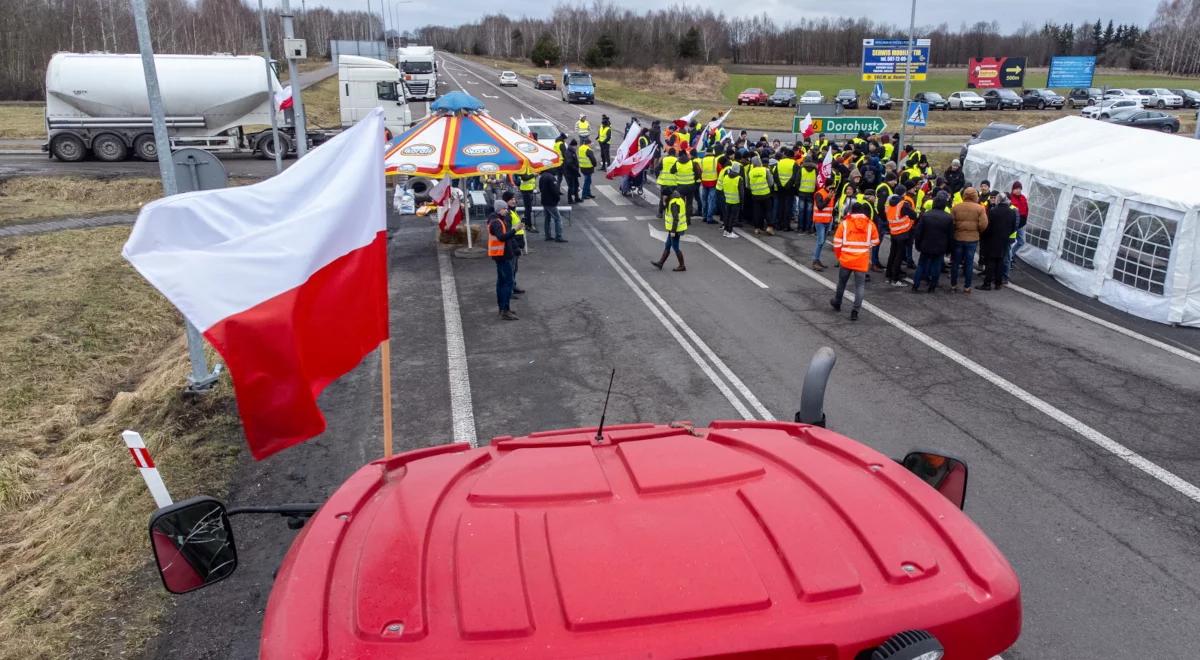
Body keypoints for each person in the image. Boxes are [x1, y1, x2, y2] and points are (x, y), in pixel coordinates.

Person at [830, 202, 880, 322]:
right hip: (861, 260)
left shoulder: (845, 223)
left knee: (842, 283)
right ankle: (855, 311)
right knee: (860, 286)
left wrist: (840, 256)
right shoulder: (870, 224)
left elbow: (837, 243)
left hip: (846, 259)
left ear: (851, 211)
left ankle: (837, 302)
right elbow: (876, 241)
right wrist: (866, 247)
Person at [912, 192, 954, 293]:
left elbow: (918, 232)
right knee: (936, 266)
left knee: (921, 265)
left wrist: (918, 244)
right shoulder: (948, 218)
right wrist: (949, 249)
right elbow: (950, 235)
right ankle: (932, 287)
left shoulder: (926, 215)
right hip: (940, 246)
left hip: (925, 245)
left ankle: (915, 285)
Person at [950, 187, 988, 294]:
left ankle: (953, 285)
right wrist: (977, 231)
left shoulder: (956, 207)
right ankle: (967, 286)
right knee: (969, 263)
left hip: (958, 237)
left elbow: (951, 223)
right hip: (972, 239)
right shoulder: (980, 208)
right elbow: (984, 224)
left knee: (955, 262)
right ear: (975, 196)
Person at [488, 200, 520, 321]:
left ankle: (503, 308)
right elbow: (502, 237)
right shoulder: (497, 222)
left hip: (500, 255)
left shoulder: (496, 220)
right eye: (505, 208)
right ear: (499, 209)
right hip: (503, 255)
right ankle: (504, 310)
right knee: (507, 282)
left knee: (502, 282)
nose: (507, 210)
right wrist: (515, 230)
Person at [980, 192, 1017, 290]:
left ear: (999, 200)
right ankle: (998, 283)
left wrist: (986, 236)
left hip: (993, 239)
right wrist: (1006, 234)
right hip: (1004, 239)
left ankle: (987, 284)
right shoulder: (1012, 212)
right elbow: (1014, 227)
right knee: (1000, 260)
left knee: (991, 261)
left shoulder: (993, 211)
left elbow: (988, 225)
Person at [884, 185, 918, 286]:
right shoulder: (903, 204)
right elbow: (914, 215)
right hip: (902, 233)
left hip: (893, 231)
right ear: (904, 193)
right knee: (899, 256)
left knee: (892, 254)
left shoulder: (890, 203)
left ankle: (889, 274)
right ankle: (895, 278)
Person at [652, 190, 688, 272]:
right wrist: (665, 204)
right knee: (667, 245)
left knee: (675, 247)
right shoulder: (674, 200)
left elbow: (675, 218)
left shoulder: (674, 203)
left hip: (675, 229)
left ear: (668, 196)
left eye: (664, 196)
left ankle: (682, 266)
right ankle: (660, 263)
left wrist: (673, 231)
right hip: (674, 228)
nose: (663, 198)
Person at [501, 191, 526, 296]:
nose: (514, 201)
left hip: (517, 243)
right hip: (512, 244)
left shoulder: (513, 211)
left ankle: (513, 286)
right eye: (511, 199)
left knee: (514, 268)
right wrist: (515, 246)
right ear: (506, 201)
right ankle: (509, 290)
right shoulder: (508, 214)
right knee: (510, 269)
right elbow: (509, 232)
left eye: (514, 199)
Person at [746, 155, 775, 236]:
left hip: (755, 194)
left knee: (757, 212)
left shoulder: (750, 172)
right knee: (768, 210)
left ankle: (757, 228)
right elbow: (771, 182)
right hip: (765, 194)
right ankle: (769, 227)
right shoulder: (765, 170)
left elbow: (747, 185)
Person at [1006, 181, 1029, 283]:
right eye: (1016, 188)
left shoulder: (1023, 198)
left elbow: (1026, 209)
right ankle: (1009, 260)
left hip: (1021, 224)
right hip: (1014, 224)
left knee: (1021, 242)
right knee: (1011, 242)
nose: (1018, 190)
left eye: (1020, 188)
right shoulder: (1010, 198)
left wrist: (1025, 220)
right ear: (1013, 189)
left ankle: (1011, 256)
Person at [538, 168, 566, 242]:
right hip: (551, 202)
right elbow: (555, 191)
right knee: (558, 219)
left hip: (544, 201)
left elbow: (540, 188)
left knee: (547, 219)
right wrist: (557, 199)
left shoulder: (542, 176)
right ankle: (558, 236)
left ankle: (548, 235)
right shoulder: (551, 177)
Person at [811, 185, 834, 270]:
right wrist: (828, 198)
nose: (831, 189)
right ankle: (815, 261)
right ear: (825, 186)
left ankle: (817, 260)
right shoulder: (819, 193)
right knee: (820, 242)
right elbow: (820, 206)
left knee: (822, 242)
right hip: (820, 221)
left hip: (827, 221)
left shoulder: (831, 194)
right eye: (830, 187)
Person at [719, 161, 742, 238]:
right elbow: (741, 192)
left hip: (727, 199)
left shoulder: (726, 177)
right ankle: (730, 231)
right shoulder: (739, 179)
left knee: (727, 216)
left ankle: (726, 230)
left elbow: (723, 189)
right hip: (736, 201)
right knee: (732, 217)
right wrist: (742, 202)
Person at [699, 149, 721, 224]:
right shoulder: (715, 160)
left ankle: (704, 216)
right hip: (713, 182)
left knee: (704, 200)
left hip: (704, 181)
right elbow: (719, 170)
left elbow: (700, 171)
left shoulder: (702, 160)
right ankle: (709, 218)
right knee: (711, 201)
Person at [656, 147, 678, 215]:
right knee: (674, 198)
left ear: (668, 153)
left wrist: (657, 177)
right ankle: (672, 212)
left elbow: (657, 168)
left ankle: (660, 213)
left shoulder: (664, 159)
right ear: (674, 153)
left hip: (664, 182)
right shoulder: (677, 160)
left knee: (662, 197)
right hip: (674, 182)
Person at [563, 139, 581, 204]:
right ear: (573, 145)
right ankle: (570, 199)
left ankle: (577, 198)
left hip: (573, 172)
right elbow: (569, 163)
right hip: (570, 172)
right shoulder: (569, 152)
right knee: (571, 186)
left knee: (576, 185)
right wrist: (575, 168)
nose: (576, 147)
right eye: (576, 146)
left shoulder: (572, 151)